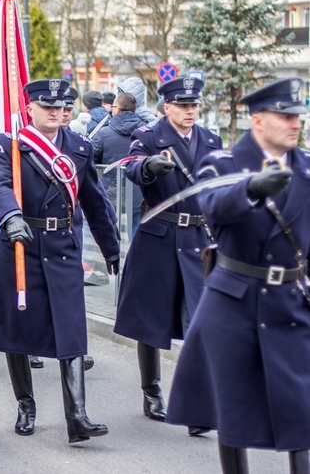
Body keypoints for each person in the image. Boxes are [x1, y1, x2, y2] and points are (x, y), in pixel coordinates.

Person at [166, 77, 310, 474]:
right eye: (286, 116)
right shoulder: (223, 163)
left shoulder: (308, 168)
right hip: (235, 302)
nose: (296, 123)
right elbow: (213, 203)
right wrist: (251, 188)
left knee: (302, 408)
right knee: (233, 409)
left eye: (298, 115)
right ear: (259, 121)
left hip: (292, 301)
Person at [0, 78, 120, 443]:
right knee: (18, 331)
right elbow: (1, 183)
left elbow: (95, 202)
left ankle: (77, 415)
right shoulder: (12, 143)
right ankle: (26, 404)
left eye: (61, 107)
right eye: (47, 107)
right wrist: (10, 216)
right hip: (21, 244)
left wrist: (111, 248)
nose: (55, 112)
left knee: (71, 328)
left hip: (63, 245)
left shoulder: (79, 147)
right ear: (30, 108)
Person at [114, 77, 222, 430]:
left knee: (202, 325)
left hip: (196, 239)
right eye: (183, 105)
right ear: (167, 106)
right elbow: (130, 165)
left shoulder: (211, 140)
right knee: (151, 320)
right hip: (158, 237)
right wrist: (147, 167)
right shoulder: (148, 136)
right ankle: (151, 391)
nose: (190, 111)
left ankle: (196, 403)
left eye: (194, 105)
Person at [92, 92, 145, 236]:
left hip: (111, 192)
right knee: (135, 234)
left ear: (117, 109)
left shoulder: (103, 133)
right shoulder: (146, 132)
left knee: (111, 234)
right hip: (139, 193)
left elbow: (92, 159)